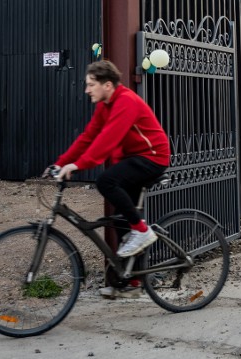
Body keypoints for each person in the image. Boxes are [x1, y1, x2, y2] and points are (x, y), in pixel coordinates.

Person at [48, 60, 171, 262]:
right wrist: (61, 163)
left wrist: (79, 164)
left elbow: (108, 138)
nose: (86, 90)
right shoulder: (105, 106)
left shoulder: (126, 101)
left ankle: (142, 231)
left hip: (152, 156)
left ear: (107, 85)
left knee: (106, 181)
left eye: (90, 84)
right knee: (122, 218)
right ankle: (131, 281)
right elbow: (88, 137)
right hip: (133, 158)